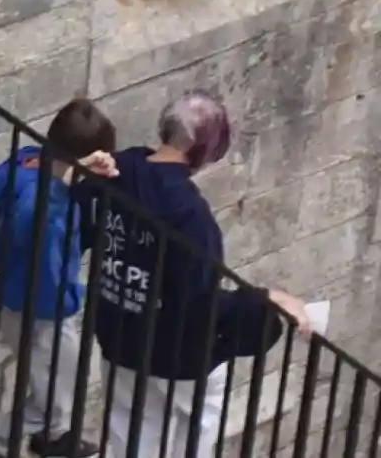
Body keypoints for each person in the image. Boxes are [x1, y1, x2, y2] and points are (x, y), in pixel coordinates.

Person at [93, 91, 312, 457]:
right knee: (193, 430)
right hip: (175, 352)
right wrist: (266, 299)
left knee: (130, 427)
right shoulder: (191, 216)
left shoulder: (120, 168)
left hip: (120, 329)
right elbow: (200, 300)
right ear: (206, 150)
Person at [0, 97, 119, 457]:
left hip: (29, 299)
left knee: (56, 381)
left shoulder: (30, 164)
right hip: (43, 307)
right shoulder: (42, 197)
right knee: (50, 390)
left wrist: (72, 175)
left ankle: (56, 437)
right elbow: (34, 227)